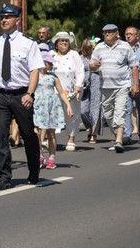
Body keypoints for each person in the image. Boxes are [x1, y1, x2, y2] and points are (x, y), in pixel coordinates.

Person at [0, 3, 43, 190]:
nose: (4, 20)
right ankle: (4, 177)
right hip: (0, 95)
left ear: (17, 20)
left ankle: (34, 170)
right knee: (0, 136)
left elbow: (34, 71)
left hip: (21, 94)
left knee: (27, 134)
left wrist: (29, 93)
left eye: (8, 17)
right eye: (2, 17)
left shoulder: (28, 44)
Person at [90, 24, 140, 153]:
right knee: (108, 114)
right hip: (105, 87)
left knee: (120, 112)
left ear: (117, 33)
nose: (106, 34)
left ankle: (118, 141)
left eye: (109, 32)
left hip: (122, 86)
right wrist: (94, 65)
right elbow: (91, 65)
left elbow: (134, 66)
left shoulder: (125, 46)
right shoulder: (99, 47)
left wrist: (135, 84)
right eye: (104, 32)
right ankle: (117, 136)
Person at [33, 44, 73, 169]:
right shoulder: (34, 76)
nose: (50, 65)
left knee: (51, 133)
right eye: (48, 63)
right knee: (37, 132)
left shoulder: (53, 77)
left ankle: (51, 157)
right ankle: (39, 155)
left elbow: (61, 92)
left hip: (51, 107)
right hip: (38, 106)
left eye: (50, 63)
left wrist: (68, 105)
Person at [51, 31, 85, 151]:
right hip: (55, 91)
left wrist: (78, 86)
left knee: (72, 115)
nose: (64, 42)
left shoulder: (74, 54)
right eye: (61, 41)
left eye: (66, 41)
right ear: (56, 44)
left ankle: (71, 138)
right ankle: (51, 140)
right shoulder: (52, 55)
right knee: (54, 116)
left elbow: (80, 71)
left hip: (71, 90)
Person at [79, 38, 101, 144]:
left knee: (95, 108)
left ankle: (94, 133)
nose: (88, 50)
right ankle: (90, 127)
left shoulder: (97, 56)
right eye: (86, 48)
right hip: (84, 84)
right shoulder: (80, 58)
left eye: (90, 47)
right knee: (83, 110)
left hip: (96, 81)